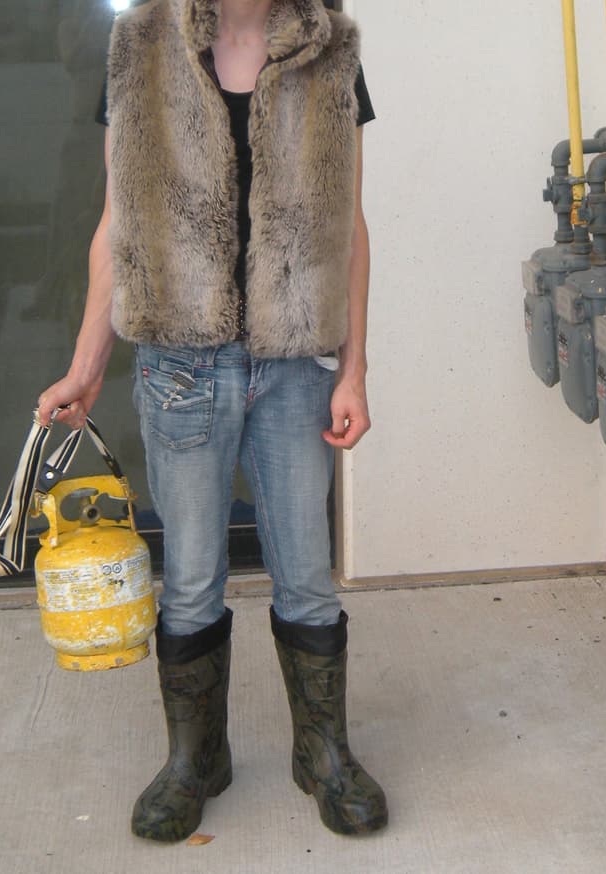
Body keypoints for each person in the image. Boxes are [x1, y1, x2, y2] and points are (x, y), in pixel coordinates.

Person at [35, 0, 386, 842]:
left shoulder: (330, 50)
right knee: (191, 578)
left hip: (293, 366)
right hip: (180, 368)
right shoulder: (140, 45)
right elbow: (117, 227)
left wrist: (354, 371)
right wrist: (86, 367)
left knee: (307, 572)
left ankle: (323, 753)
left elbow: (349, 226)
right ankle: (195, 759)